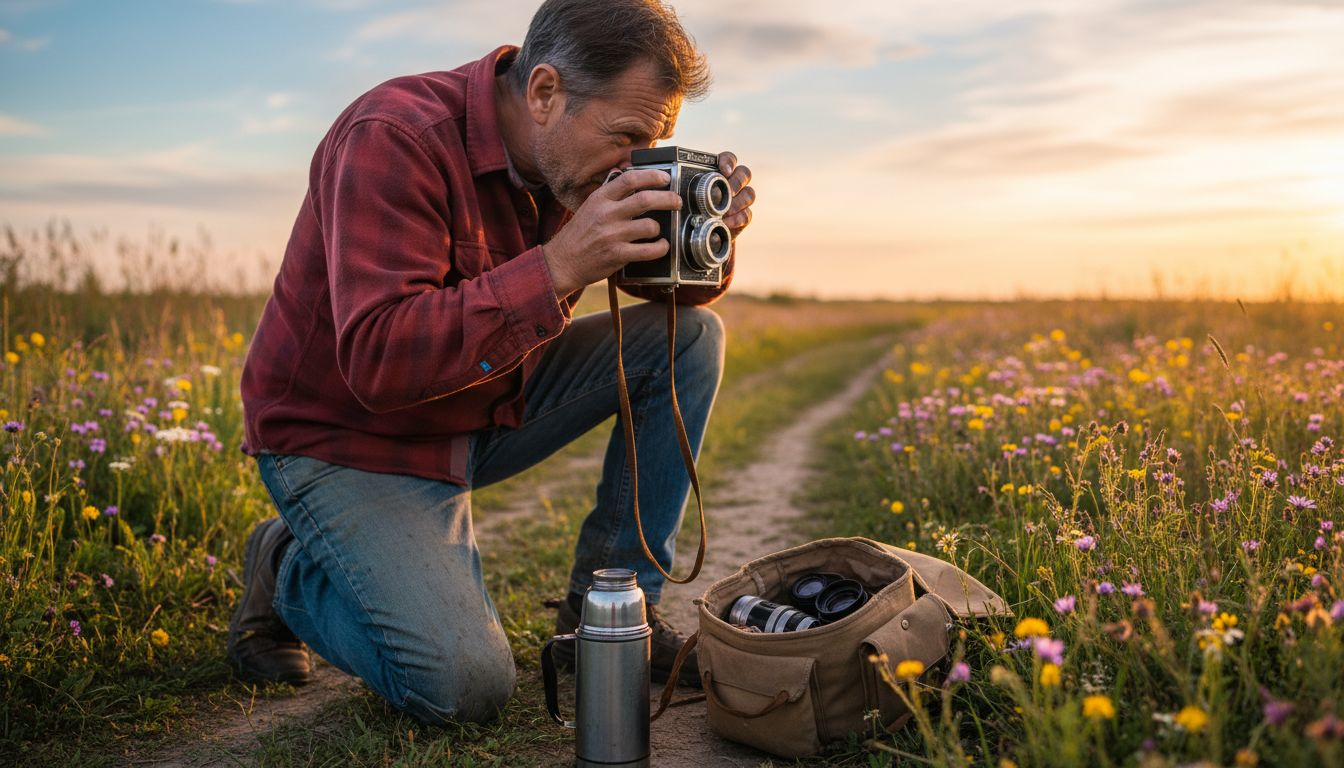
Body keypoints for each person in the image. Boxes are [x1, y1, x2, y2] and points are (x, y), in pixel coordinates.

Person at [227, 0, 755, 725]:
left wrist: (702, 233)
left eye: (655, 141)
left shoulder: (571, 157)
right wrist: (560, 265)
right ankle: (284, 564)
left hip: (481, 402)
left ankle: (605, 605)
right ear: (544, 93)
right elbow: (379, 361)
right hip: (349, 438)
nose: (637, 162)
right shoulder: (395, 135)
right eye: (628, 136)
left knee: (694, 339)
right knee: (464, 686)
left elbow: (652, 285)